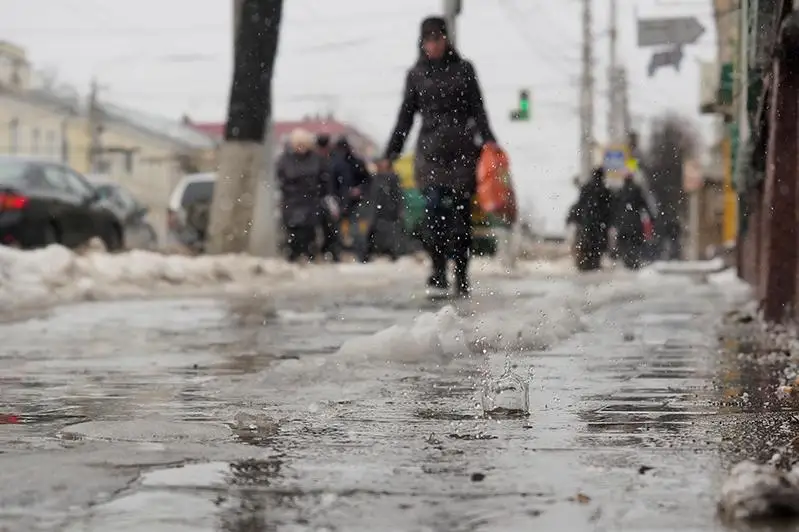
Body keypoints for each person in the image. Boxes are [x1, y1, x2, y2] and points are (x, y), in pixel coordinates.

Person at [382, 16, 497, 296]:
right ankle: (437, 269)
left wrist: (491, 142)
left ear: (446, 40)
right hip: (430, 152)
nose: (432, 44)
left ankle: (460, 273)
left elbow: (478, 109)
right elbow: (405, 117)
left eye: (437, 38)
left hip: (462, 151)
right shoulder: (417, 74)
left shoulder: (464, 70)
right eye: (427, 39)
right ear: (421, 42)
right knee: (433, 211)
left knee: (460, 215)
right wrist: (391, 152)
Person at [276, 128, 335, 262]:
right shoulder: (285, 160)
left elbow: (325, 180)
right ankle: (293, 255)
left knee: (309, 232)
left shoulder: (317, 160)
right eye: (298, 144)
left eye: (303, 144)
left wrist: (322, 195)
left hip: (311, 202)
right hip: (292, 202)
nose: (300, 147)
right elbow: (280, 179)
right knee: (294, 232)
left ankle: (309, 255)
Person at [333, 137, 371, 262]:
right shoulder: (353, 162)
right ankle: (354, 255)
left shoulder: (336, 162)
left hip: (352, 201)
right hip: (345, 201)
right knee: (351, 230)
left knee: (353, 230)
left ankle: (355, 254)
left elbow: (367, 180)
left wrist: (359, 189)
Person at [572, 167, 613, 272]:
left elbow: (579, 205)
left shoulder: (586, 188)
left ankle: (585, 265)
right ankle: (595, 264)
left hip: (587, 222)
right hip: (599, 224)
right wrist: (608, 223)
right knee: (597, 246)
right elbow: (608, 209)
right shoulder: (604, 190)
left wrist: (578, 219)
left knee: (586, 244)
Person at [364, 159, 405, 261]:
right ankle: (370, 252)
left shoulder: (392, 178)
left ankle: (391, 252)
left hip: (388, 211)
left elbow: (398, 196)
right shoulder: (376, 178)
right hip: (377, 211)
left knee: (390, 233)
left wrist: (399, 209)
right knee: (375, 232)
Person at [613, 172, 654, 270]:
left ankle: (627, 260)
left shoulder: (620, 192)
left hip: (623, 223)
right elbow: (644, 205)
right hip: (635, 222)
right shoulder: (636, 190)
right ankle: (633, 260)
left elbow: (614, 209)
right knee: (635, 243)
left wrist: (615, 222)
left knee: (625, 243)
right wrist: (651, 217)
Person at [315, 134, 342, 262]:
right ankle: (326, 251)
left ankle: (331, 252)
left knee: (331, 228)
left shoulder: (330, 160)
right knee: (326, 228)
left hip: (329, 197)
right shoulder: (327, 160)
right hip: (322, 198)